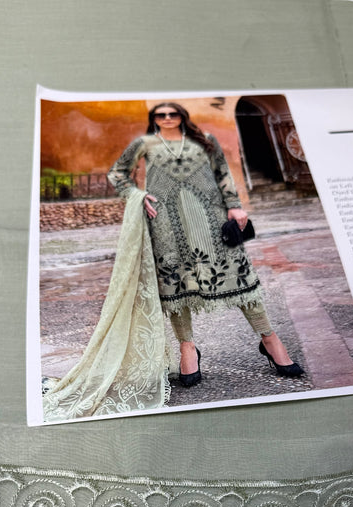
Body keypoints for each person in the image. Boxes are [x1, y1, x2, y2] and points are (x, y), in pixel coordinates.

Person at [108, 102, 303, 386]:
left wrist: (234, 206)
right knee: (176, 284)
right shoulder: (145, 143)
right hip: (166, 223)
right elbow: (117, 173)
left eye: (173, 113)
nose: (167, 118)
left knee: (239, 275)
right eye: (161, 114)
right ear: (154, 118)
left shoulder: (205, 140)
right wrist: (137, 195)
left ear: (182, 116)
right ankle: (187, 347)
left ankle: (269, 339)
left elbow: (223, 173)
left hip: (212, 218)